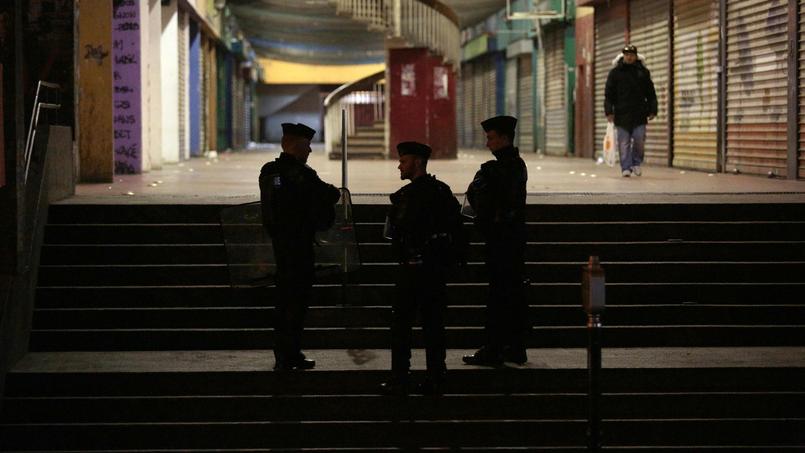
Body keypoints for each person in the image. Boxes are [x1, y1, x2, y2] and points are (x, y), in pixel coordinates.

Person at [381, 141, 465, 396]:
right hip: (432, 271)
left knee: (403, 326)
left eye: (404, 161)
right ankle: (435, 376)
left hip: (415, 270)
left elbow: (395, 233)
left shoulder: (409, 197)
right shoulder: (440, 191)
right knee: (432, 326)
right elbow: (458, 230)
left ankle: (401, 377)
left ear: (417, 163)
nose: (399, 166)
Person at [259, 122, 341, 371]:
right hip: (299, 247)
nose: (310, 152)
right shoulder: (301, 174)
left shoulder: (269, 171)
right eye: (307, 146)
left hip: (279, 246)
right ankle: (290, 354)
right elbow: (330, 194)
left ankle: (283, 353)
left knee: (284, 301)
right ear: (295, 146)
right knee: (296, 302)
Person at [462, 115, 529, 367]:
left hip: (499, 241)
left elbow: (478, 200)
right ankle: (515, 347)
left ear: (503, 138)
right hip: (515, 241)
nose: (487, 143)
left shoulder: (492, 170)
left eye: (491, 138)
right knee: (514, 295)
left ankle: (493, 348)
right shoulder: (518, 165)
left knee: (498, 296)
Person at [605, 44, 658, 177]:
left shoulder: (643, 73)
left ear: (635, 56)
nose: (629, 57)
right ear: (623, 56)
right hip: (622, 114)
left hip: (639, 113)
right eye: (627, 55)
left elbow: (651, 93)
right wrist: (609, 111)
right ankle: (626, 167)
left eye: (631, 55)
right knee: (623, 143)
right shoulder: (615, 73)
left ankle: (636, 163)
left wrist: (653, 109)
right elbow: (609, 94)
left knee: (639, 140)